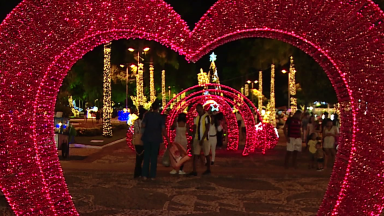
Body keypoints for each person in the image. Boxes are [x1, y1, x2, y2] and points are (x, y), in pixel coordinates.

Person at [141, 102, 170, 180]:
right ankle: (153, 175)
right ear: (158, 108)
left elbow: (143, 125)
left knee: (146, 156)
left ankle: (144, 175)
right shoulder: (160, 117)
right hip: (156, 138)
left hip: (147, 137)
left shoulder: (147, 115)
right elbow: (163, 129)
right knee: (154, 157)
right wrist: (167, 138)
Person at [188, 104, 211, 176]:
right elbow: (195, 128)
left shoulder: (206, 117)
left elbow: (207, 128)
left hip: (204, 139)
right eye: (196, 109)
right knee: (195, 155)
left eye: (198, 108)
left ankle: (208, 169)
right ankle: (194, 170)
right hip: (197, 138)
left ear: (202, 108)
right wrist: (193, 136)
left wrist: (203, 138)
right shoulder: (196, 118)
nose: (198, 110)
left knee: (206, 154)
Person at [133, 108, 145, 178]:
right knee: (143, 157)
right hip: (143, 140)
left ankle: (137, 172)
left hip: (137, 140)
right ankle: (141, 172)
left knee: (138, 157)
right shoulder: (145, 122)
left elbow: (135, 131)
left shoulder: (136, 122)